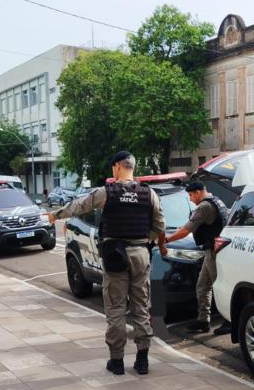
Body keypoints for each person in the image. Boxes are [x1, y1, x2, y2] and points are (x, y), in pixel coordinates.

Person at [47, 151, 165, 375]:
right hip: (141, 254)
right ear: (133, 167)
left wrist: (56, 215)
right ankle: (142, 361)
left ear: (118, 167)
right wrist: (142, 241)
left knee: (116, 308)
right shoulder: (149, 194)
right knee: (141, 307)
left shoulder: (106, 193)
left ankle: (117, 361)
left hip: (115, 255)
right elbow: (159, 226)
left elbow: (80, 206)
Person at [161, 181, 231, 335]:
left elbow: (186, 231)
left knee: (221, 286)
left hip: (214, 252)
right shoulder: (218, 200)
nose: (191, 199)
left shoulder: (204, 206)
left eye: (191, 195)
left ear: (199, 192)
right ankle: (203, 320)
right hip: (214, 250)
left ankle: (230, 321)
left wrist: (165, 240)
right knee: (202, 286)